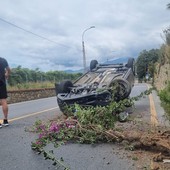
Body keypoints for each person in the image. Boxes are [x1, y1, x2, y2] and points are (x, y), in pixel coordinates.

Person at [0, 57, 11, 128]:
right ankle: (5, 120)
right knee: (4, 101)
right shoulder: (3, 60)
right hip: (2, 82)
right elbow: (9, 69)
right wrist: (7, 74)